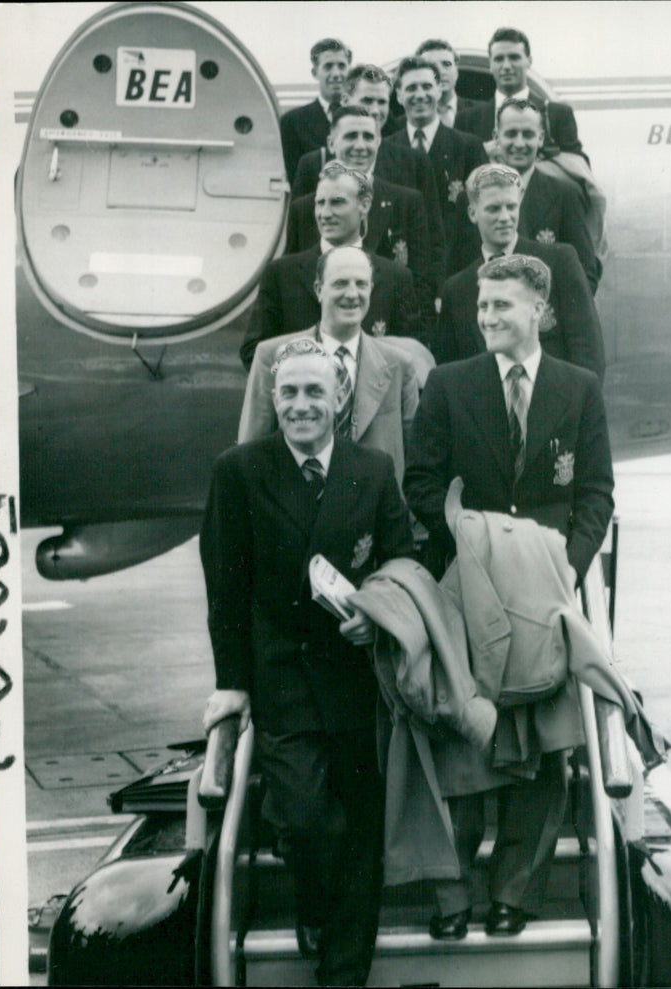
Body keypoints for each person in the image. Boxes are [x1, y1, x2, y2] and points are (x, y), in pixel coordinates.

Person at [403, 253, 614, 940]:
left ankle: (514, 895)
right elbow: (424, 485)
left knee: (544, 749)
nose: (489, 318)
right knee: (465, 745)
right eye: (483, 307)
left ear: (541, 312)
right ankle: (454, 895)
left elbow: (595, 496)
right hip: (470, 591)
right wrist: (475, 551)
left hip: (547, 596)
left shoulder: (578, 388)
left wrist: (563, 569)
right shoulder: (448, 384)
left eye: (503, 307)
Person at [201, 337, 413, 986]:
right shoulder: (239, 470)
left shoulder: (372, 470)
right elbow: (225, 590)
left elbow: (403, 565)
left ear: (340, 397)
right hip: (283, 681)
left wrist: (374, 615)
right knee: (307, 819)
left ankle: (343, 974)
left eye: (314, 392)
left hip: (356, 679)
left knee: (362, 832)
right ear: (272, 397)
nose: (300, 405)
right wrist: (232, 685)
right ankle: (318, 912)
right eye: (288, 392)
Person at [239, 244, 419, 493]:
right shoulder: (272, 356)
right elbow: (250, 453)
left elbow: (416, 459)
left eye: (361, 284)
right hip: (294, 516)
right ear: (318, 290)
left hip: (374, 519)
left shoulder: (399, 364)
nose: (352, 294)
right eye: (340, 283)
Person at [240, 164, 422, 367]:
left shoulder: (395, 277)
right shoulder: (281, 274)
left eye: (337, 202)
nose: (325, 214)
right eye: (320, 203)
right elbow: (253, 352)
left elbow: (412, 355)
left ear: (365, 205)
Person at [293, 64, 446, 297]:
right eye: (366, 101)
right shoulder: (313, 164)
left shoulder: (413, 161)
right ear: (345, 100)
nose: (375, 110)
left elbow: (432, 243)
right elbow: (300, 247)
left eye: (382, 102)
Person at [439, 164, 604, 380]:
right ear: (472, 213)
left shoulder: (559, 262)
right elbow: (449, 374)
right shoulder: (457, 289)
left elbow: (589, 354)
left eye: (511, 206)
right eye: (493, 209)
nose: (505, 217)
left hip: (554, 406)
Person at [285, 107, 436, 327]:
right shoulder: (304, 208)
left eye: (368, 137)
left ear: (378, 142)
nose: (360, 146)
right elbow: (293, 277)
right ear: (331, 143)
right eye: (350, 136)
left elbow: (421, 283)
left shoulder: (406, 202)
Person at [385, 57, 487, 275]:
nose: (420, 95)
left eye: (427, 86)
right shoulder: (386, 150)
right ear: (399, 95)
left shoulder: (468, 147)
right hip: (401, 273)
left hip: (455, 271)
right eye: (411, 88)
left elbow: (478, 221)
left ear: (440, 90)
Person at [492, 98, 600, 291]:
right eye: (510, 134)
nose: (519, 143)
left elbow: (586, 273)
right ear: (496, 137)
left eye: (528, 135)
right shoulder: (475, 195)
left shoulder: (565, 194)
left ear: (540, 138)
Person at [456, 27, 586, 162]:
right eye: (499, 59)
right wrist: (482, 154)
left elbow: (579, 166)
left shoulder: (557, 114)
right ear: (490, 65)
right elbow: (455, 171)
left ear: (529, 61)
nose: (506, 66)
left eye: (514, 57)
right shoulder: (466, 120)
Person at [280, 38, 352, 183]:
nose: (336, 73)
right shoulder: (292, 122)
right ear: (315, 72)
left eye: (342, 66)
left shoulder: (364, 117)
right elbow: (296, 182)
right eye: (328, 66)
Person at [414, 39, 476, 128]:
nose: (440, 71)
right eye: (431, 66)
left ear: (456, 71)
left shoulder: (481, 113)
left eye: (446, 64)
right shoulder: (408, 120)